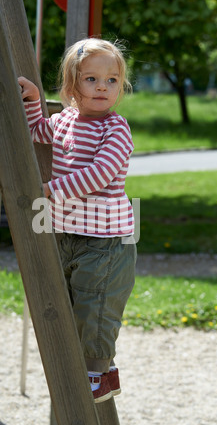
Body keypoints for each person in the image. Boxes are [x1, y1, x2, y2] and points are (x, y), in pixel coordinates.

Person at [18, 38, 137, 403]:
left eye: (112, 80)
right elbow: (37, 131)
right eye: (91, 79)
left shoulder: (115, 129)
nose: (102, 87)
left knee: (95, 303)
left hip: (105, 240)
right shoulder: (65, 121)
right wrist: (33, 99)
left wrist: (52, 189)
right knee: (72, 304)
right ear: (71, 84)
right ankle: (104, 373)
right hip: (67, 233)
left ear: (120, 86)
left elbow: (102, 173)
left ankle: (98, 373)